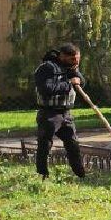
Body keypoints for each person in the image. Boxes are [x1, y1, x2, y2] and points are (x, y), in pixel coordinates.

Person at [33, 43, 87, 180]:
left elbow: (82, 82)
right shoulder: (46, 68)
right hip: (49, 113)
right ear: (62, 56)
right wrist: (69, 84)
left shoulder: (71, 67)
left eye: (78, 59)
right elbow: (46, 89)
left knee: (73, 144)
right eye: (72, 59)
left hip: (66, 113)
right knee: (45, 144)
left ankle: (81, 175)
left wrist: (77, 76)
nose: (76, 62)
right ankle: (42, 174)